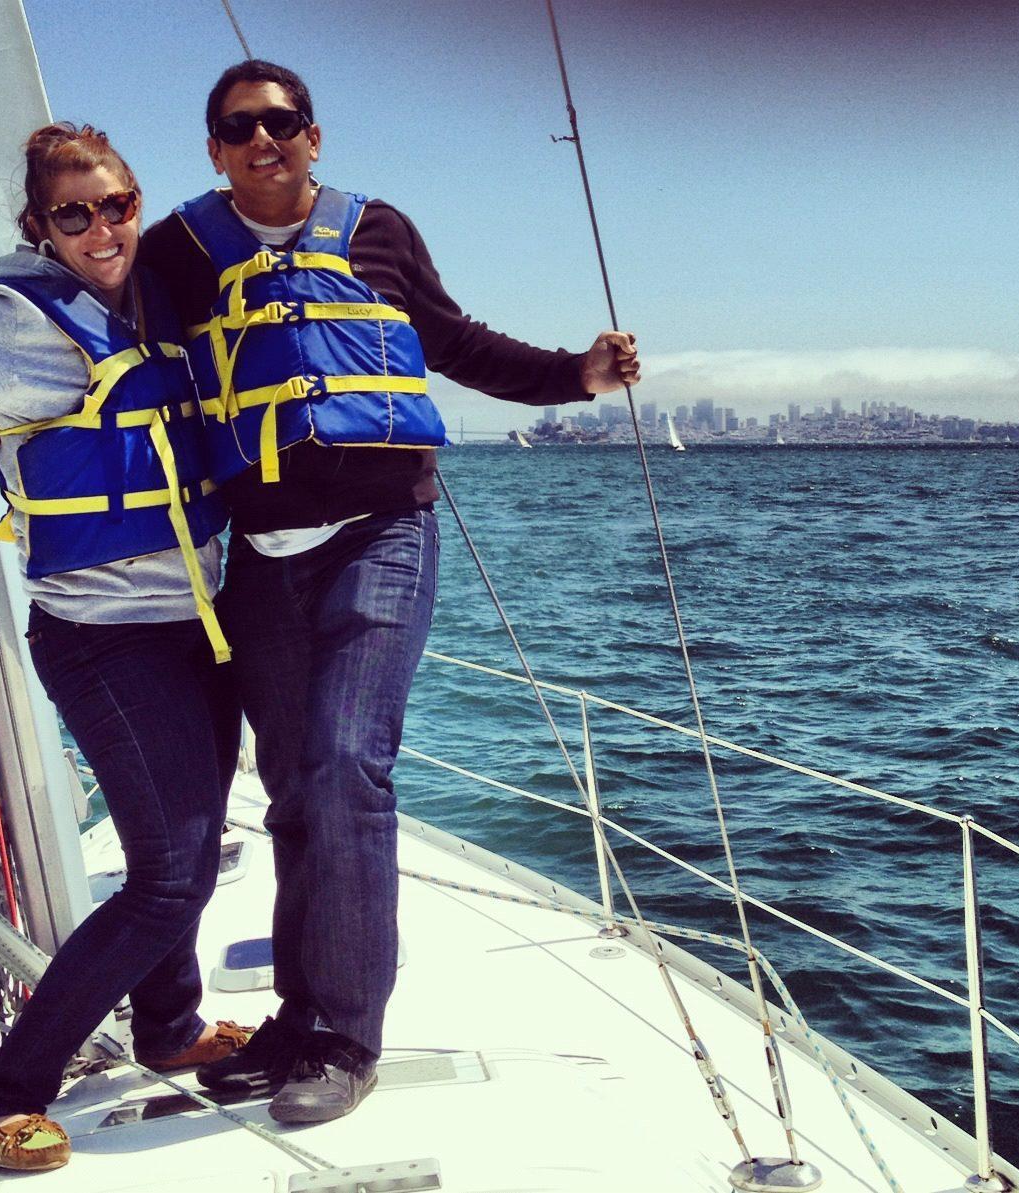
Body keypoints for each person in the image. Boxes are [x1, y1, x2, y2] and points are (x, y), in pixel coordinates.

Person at [135, 58, 641, 1127]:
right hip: (261, 552)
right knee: (290, 794)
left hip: (381, 533)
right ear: (215, 151)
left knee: (345, 767)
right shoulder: (178, 249)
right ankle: (298, 1013)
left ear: (313, 137)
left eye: (281, 123)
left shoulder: (380, 230)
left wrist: (576, 375)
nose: (262, 140)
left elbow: (450, 341)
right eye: (238, 128)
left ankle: (345, 1038)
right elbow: (122, 344)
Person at [0, 123, 251, 1172]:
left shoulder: (148, 295)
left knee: (193, 855)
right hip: (103, 636)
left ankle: (168, 1024)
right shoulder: (2, 321)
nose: (102, 228)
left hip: (194, 618)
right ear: (38, 224)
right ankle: (1, 1095)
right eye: (74, 214)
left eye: (116, 205)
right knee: (164, 874)